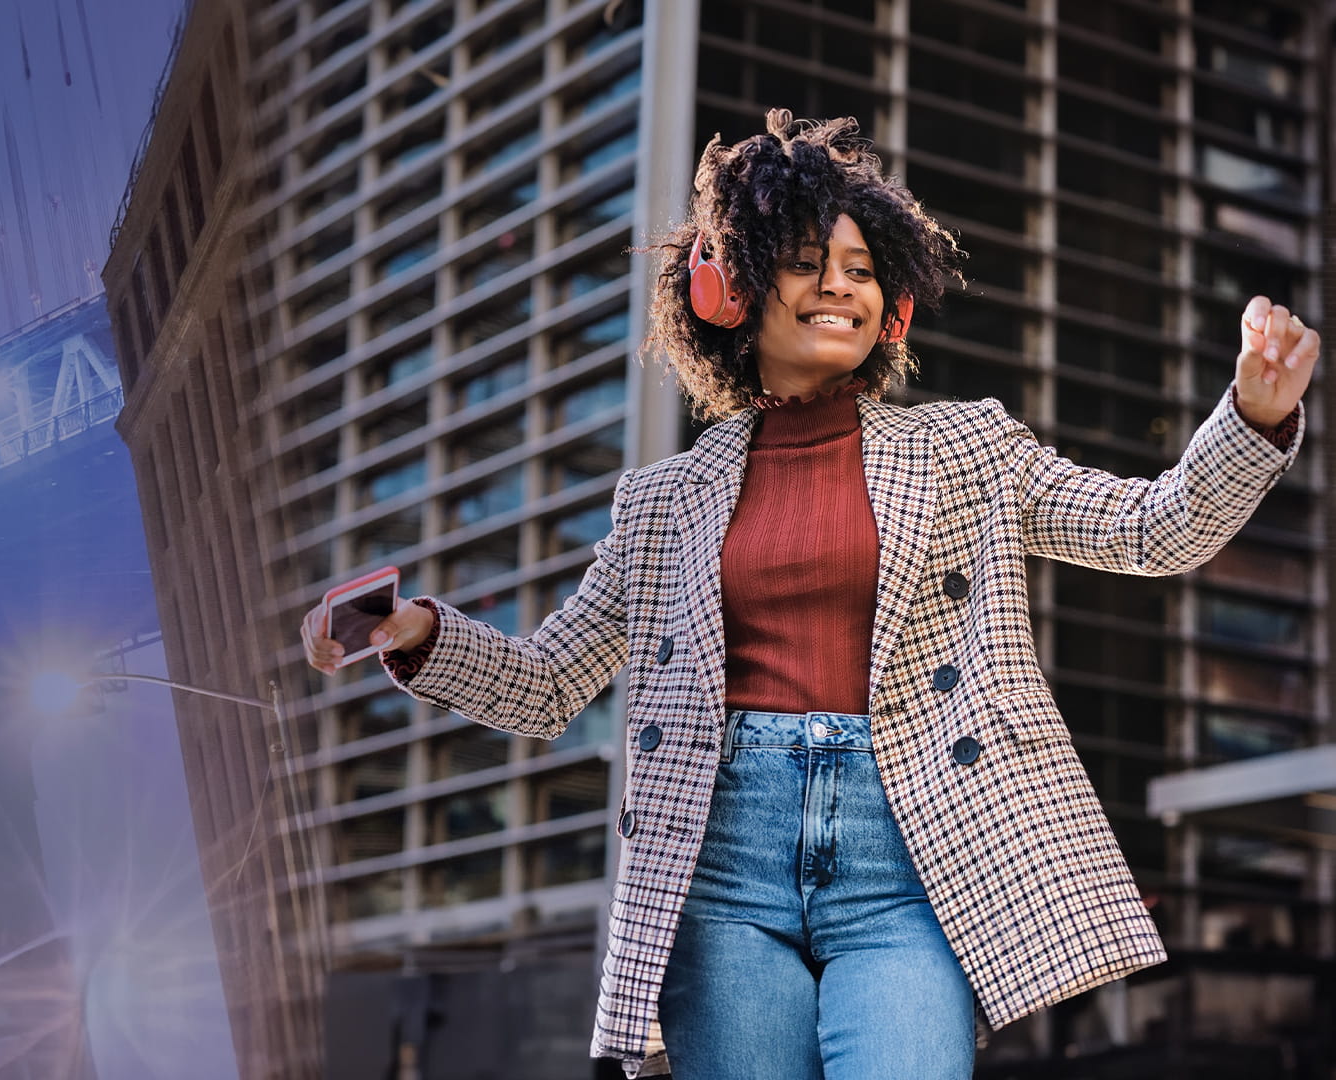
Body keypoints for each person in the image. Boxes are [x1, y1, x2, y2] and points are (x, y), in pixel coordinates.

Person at [300, 109, 1317, 1079]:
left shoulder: (967, 447)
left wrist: (1253, 418)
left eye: (863, 271)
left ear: (896, 303)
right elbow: (548, 684)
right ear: (728, 291)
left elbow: (1153, 529)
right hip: (722, 857)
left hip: (911, 848)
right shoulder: (663, 503)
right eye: (804, 264)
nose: (840, 288)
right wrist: (416, 632)